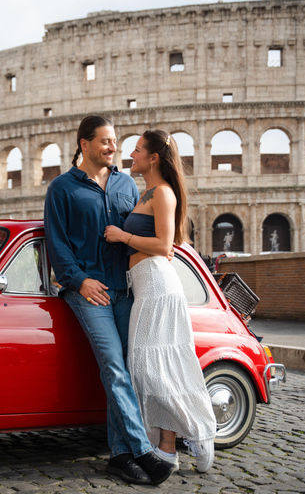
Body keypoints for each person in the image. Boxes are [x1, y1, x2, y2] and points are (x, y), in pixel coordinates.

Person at [44, 116, 176, 485]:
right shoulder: (62, 189)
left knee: (127, 371)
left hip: (126, 289)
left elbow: (141, 232)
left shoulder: (126, 184)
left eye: (115, 141)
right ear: (84, 144)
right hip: (89, 292)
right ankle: (143, 451)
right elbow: (57, 245)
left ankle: (119, 455)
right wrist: (80, 281)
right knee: (114, 368)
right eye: (104, 141)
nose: (112, 147)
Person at [104, 130, 217, 473]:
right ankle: (167, 444)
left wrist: (122, 235)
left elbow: (166, 246)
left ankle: (198, 431)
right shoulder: (144, 194)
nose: (131, 155)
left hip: (158, 285)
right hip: (143, 287)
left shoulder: (164, 193)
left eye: (137, 150)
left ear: (153, 157)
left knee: (153, 368)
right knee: (148, 368)